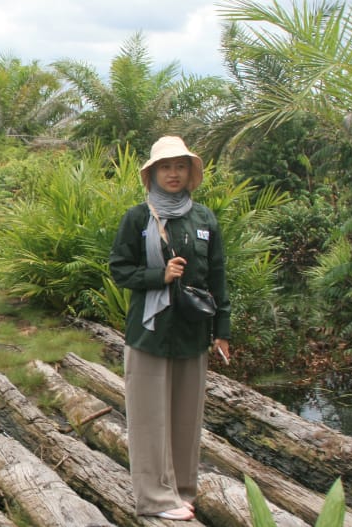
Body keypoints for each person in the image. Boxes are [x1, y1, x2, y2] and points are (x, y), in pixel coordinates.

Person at [108, 135, 232, 521]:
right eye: (166, 167)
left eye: (180, 166)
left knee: (186, 416)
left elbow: (217, 276)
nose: (173, 173)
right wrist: (157, 275)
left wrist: (222, 330)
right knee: (148, 418)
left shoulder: (204, 219)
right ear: (153, 174)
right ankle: (155, 499)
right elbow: (119, 269)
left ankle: (180, 491)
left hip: (192, 331)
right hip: (149, 331)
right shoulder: (137, 217)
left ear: (190, 172)